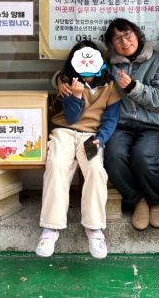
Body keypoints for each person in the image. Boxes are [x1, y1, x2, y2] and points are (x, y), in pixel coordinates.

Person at [36, 40, 121, 259]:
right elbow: (72, 117)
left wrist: (100, 140)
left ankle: (94, 228)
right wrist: (75, 96)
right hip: (64, 131)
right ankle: (50, 228)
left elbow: (111, 120)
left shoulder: (110, 86)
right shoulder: (67, 83)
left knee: (95, 169)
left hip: (91, 135)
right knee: (56, 164)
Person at [102, 18, 159, 231]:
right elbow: (83, 73)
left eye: (127, 34)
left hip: (155, 124)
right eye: (117, 38)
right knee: (113, 156)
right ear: (111, 44)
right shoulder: (109, 67)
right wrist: (61, 80)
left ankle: (156, 201)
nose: (124, 41)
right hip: (122, 125)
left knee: (143, 156)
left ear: (137, 34)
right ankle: (138, 200)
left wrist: (133, 87)